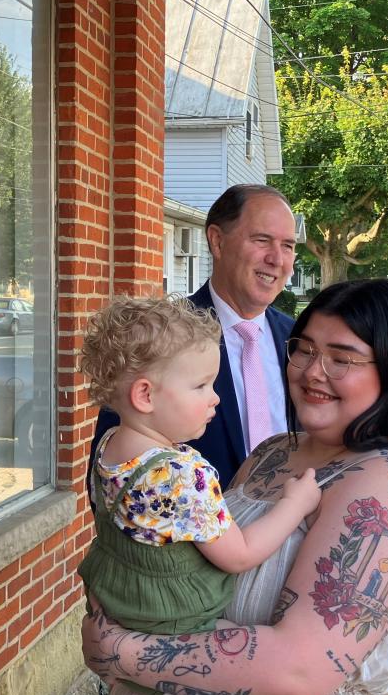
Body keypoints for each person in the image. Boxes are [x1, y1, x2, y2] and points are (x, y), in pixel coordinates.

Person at [82, 279, 388, 695]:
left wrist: (120, 651)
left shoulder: (387, 488)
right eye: (304, 348)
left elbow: (296, 675)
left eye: (342, 357)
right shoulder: (271, 455)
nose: (312, 371)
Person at [78, 295, 323, 695]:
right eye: (201, 386)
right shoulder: (182, 472)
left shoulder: (112, 449)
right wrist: (295, 503)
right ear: (145, 394)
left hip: (119, 596)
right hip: (174, 615)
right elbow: (241, 554)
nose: (215, 400)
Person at [92, 184, 299, 490]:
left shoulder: (300, 341)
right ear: (217, 241)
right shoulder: (160, 335)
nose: (277, 259)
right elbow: (114, 479)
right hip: (192, 533)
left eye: (288, 246)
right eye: (262, 240)